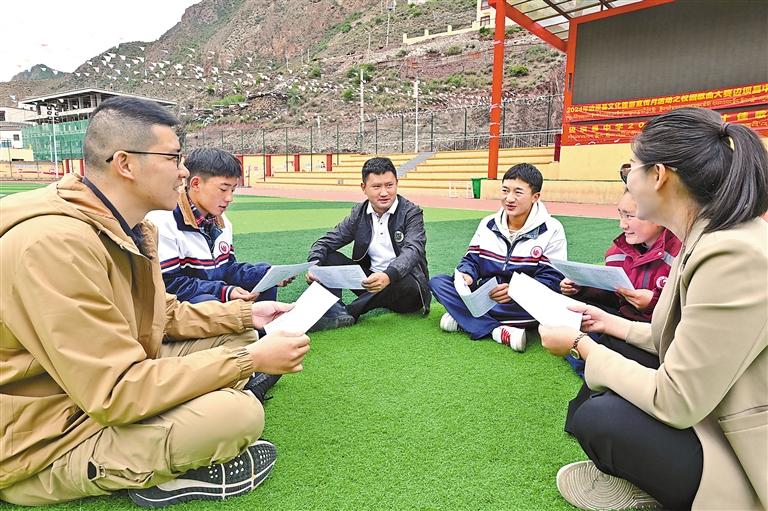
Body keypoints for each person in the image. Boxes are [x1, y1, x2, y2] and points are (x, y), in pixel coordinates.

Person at [0, 97, 310, 508]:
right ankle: (49, 477)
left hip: (86, 390)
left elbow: (160, 312)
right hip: (42, 430)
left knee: (238, 334)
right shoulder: (53, 245)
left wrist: (244, 313)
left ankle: (173, 426)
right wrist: (247, 362)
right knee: (238, 416)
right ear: (125, 164)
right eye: (173, 158)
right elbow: (115, 391)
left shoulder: (126, 225)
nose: (183, 171)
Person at [540, 107, 767, 510]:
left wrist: (579, 345)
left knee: (602, 419)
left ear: (659, 175)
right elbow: (686, 339)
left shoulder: (733, 254)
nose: (628, 180)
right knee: (614, 352)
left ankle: (675, 489)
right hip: (714, 403)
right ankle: (647, 472)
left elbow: (676, 400)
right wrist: (609, 324)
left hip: (745, 450)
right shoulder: (708, 233)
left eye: (631, 167)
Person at [429, 163, 567, 352]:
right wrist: (466, 275)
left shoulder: (551, 230)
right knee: (438, 283)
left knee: (549, 308)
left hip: (521, 303)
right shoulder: (488, 223)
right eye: (505, 190)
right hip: (486, 297)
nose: (509, 198)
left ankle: (465, 319)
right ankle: (497, 330)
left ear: (535, 197)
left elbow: (552, 279)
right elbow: (471, 260)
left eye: (518, 192)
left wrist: (515, 290)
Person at [146, 147, 291, 305]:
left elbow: (227, 269)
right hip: (181, 305)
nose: (229, 198)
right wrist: (224, 292)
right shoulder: (164, 221)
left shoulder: (222, 222)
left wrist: (264, 273)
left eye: (233, 190)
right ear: (195, 184)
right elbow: (169, 283)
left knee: (264, 284)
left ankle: (266, 322)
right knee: (207, 302)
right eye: (223, 189)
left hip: (212, 292)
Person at [561, 189, 681, 376]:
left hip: (656, 334)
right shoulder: (617, 252)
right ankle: (591, 357)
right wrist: (581, 288)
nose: (622, 224)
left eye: (629, 216)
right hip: (620, 319)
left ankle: (590, 361)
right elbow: (612, 296)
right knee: (574, 310)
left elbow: (686, 313)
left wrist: (653, 303)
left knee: (613, 347)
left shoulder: (681, 254)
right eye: (620, 214)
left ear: (658, 216)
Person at [306, 156, 430, 330]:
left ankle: (347, 312)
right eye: (376, 187)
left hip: (404, 290)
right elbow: (325, 242)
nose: (384, 193)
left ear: (397, 184)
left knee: (407, 280)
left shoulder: (411, 213)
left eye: (389, 185)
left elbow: (413, 250)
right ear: (364, 188)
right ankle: (332, 306)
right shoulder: (359, 213)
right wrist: (315, 265)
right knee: (328, 257)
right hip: (370, 283)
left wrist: (388, 276)